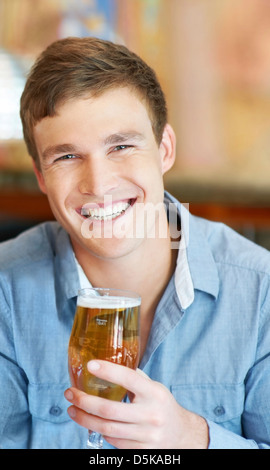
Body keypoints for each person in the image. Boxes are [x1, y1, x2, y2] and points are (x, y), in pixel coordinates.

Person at [0, 36, 270, 450]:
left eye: (121, 146)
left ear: (164, 150)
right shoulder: (6, 291)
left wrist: (193, 439)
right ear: (40, 176)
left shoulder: (261, 291)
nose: (99, 184)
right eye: (66, 157)